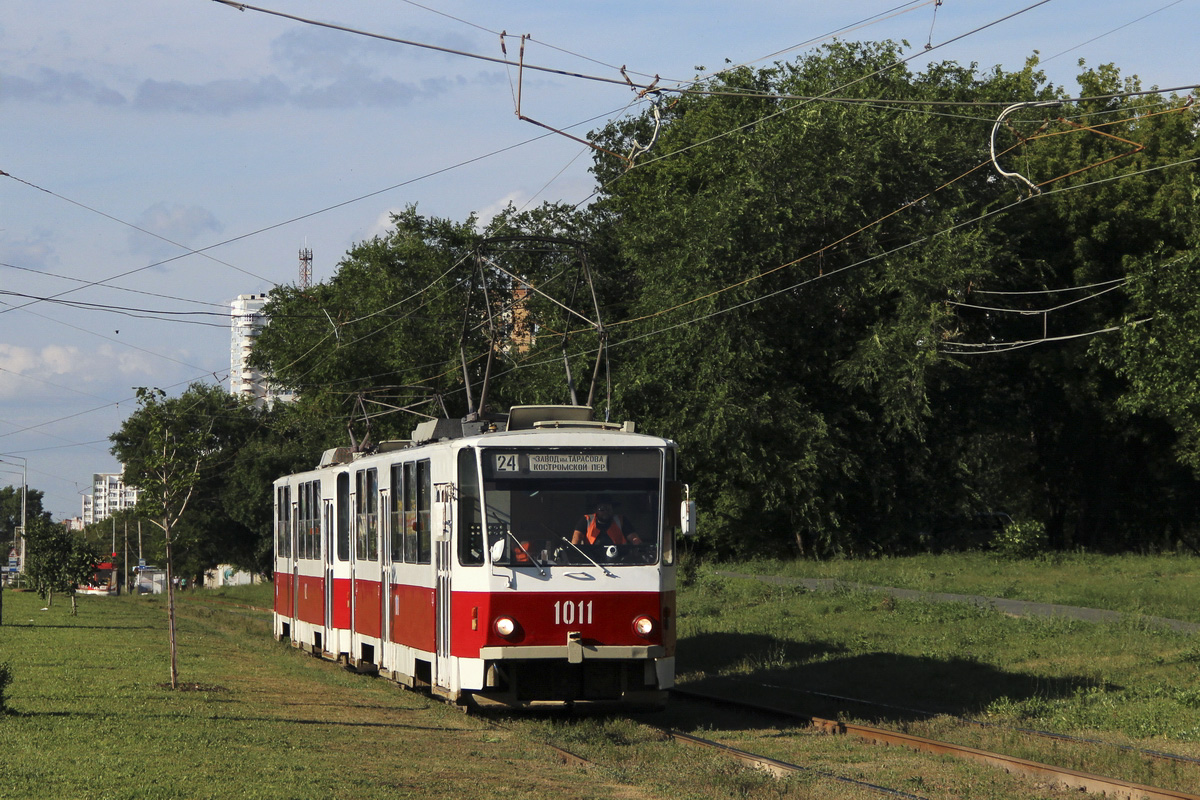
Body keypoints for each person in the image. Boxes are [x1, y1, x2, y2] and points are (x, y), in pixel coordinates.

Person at [571, 498, 642, 546]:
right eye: (602, 509)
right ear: (595, 510)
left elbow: (634, 539)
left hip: (619, 559)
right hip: (591, 559)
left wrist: (638, 545)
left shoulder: (621, 520)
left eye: (608, 509)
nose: (605, 512)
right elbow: (576, 538)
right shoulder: (586, 520)